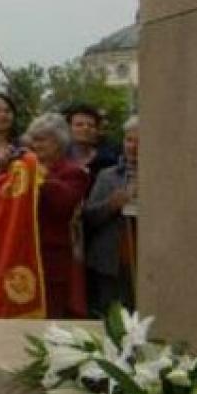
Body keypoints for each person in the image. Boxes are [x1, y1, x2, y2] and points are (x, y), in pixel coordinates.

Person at [24, 112, 90, 319]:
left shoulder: (74, 172)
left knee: (52, 317)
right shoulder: (24, 169)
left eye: (41, 139)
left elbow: (64, 204)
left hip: (53, 260)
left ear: (58, 142)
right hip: (24, 256)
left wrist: (42, 175)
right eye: (33, 139)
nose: (35, 144)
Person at [82, 116, 139, 315]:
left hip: (145, 262)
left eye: (139, 142)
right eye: (129, 140)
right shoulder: (107, 176)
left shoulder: (162, 177)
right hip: (110, 263)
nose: (133, 147)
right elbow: (88, 217)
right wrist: (111, 205)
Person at [64, 102, 118, 187]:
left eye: (91, 125)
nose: (85, 128)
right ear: (68, 129)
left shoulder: (108, 161)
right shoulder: (58, 158)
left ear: (97, 130)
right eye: (79, 125)